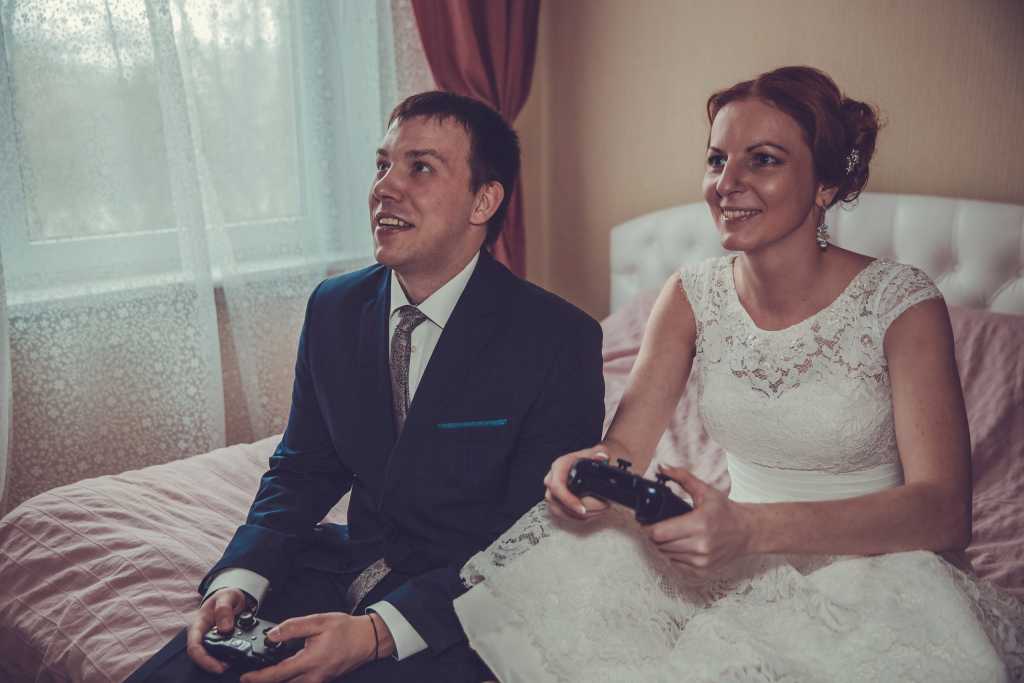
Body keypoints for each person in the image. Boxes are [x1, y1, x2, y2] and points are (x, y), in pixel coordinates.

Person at [453, 66, 1024, 681]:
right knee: (571, 567)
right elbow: (626, 446)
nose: (727, 184)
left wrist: (751, 527)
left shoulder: (902, 303)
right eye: (717, 160)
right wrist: (586, 468)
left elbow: (944, 513)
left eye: (764, 160)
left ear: (826, 183)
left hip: (878, 571)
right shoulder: (689, 294)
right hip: (728, 552)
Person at [127, 91, 605, 683]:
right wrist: (239, 579)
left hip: (456, 610)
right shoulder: (334, 307)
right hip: (339, 566)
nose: (385, 187)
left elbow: (531, 537)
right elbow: (303, 467)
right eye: (383, 164)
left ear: (484, 200)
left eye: (420, 167)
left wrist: (378, 633)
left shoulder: (558, 339)